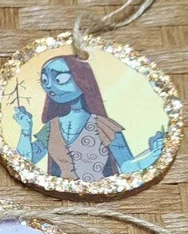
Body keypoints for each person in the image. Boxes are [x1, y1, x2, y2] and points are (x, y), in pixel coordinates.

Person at [13, 55, 165, 182]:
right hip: (59, 198)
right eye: (45, 81)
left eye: (60, 79)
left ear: (82, 80)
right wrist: (26, 130)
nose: (50, 87)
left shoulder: (104, 126)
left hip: (102, 196)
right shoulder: (51, 127)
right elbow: (27, 160)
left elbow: (126, 166)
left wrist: (154, 154)